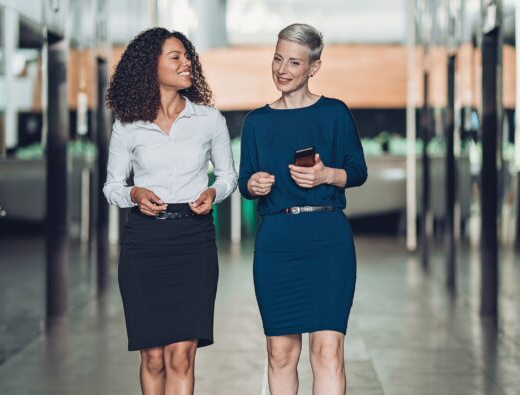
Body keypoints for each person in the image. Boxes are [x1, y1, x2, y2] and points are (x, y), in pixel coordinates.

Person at [103, 27, 237, 395]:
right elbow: (111, 186)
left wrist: (213, 191)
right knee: (153, 357)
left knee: (181, 356)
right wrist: (133, 192)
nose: (186, 62)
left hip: (194, 239)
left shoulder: (208, 119)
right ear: (151, 66)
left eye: (187, 55)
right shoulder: (128, 125)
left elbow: (228, 175)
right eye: (175, 57)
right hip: (144, 243)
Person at [238, 23, 367, 395]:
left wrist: (328, 174)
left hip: (328, 242)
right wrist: (252, 185)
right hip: (277, 242)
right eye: (278, 58)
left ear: (314, 67)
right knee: (280, 352)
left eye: (294, 62)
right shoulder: (256, 123)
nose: (282, 69)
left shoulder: (335, 114)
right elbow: (246, 181)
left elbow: (358, 171)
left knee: (328, 351)